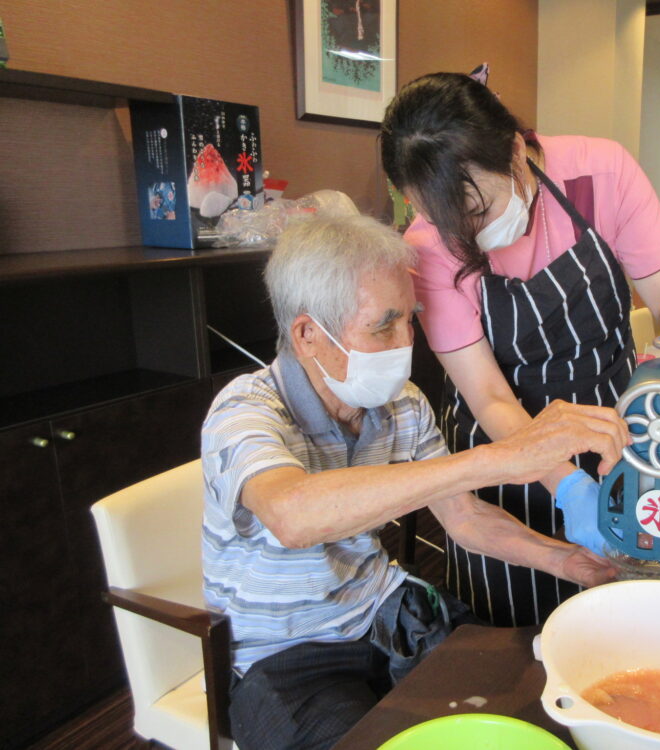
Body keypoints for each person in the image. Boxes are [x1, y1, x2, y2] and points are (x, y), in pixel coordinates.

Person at [202, 215, 628, 750]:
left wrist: (565, 560)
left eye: (411, 319)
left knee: (532, 710)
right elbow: (293, 516)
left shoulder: (400, 406)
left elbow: (465, 518)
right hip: (284, 655)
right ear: (309, 335)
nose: (407, 342)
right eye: (384, 325)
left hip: (383, 612)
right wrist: (503, 457)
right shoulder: (244, 410)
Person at [379, 71, 660, 627]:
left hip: (615, 434)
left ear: (516, 151)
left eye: (481, 209)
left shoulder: (600, 173)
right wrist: (567, 485)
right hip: (507, 458)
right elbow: (488, 394)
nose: (469, 236)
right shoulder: (427, 248)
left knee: (624, 623)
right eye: (449, 221)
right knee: (515, 642)